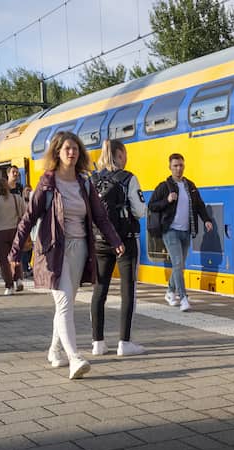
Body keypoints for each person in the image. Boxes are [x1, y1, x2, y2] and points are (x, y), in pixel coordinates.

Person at [9, 131, 123, 380]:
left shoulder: (84, 182)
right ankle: (74, 358)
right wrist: (16, 250)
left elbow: (100, 216)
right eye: (67, 149)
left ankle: (54, 349)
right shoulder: (47, 182)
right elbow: (29, 217)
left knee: (67, 303)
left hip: (80, 248)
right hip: (54, 250)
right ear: (58, 152)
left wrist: (115, 240)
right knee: (63, 303)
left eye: (75, 149)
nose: (72, 153)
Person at [89, 140, 147, 357]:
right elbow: (140, 211)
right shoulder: (128, 178)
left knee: (100, 290)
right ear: (120, 154)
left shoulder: (93, 179)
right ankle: (124, 342)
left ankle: (98, 343)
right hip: (126, 241)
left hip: (99, 241)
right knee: (127, 290)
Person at [147, 153, 214, 312]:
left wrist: (206, 220)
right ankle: (183, 297)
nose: (178, 168)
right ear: (170, 167)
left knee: (180, 265)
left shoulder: (190, 186)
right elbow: (152, 206)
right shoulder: (164, 187)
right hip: (170, 230)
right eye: (175, 166)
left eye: (181, 165)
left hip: (186, 230)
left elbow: (199, 205)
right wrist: (167, 200)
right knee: (177, 263)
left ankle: (170, 292)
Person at [0, 177, 25, 295]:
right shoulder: (16, 198)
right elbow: (24, 213)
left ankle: (9, 286)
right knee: (15, 257)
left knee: (4, 261)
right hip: (14, 231)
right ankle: (18, 279)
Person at [20, 186, 33, 278]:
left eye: (30, 190)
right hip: (25, 226)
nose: (28, 192)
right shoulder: (21, 202)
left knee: (30, 249)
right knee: (25, 249)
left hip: (33, 227)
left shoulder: (33, 202)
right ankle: (24, 268)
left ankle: (27, 266)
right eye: (26, 191)